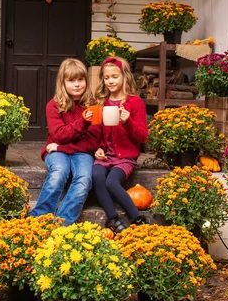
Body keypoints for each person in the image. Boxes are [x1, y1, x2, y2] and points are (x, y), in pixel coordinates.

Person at [30, 58, 101, 225]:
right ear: (63, 83)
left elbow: (93, 141)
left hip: (76, 151)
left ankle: (61, 223)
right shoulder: (53, 105)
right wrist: (83, 123)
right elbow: (59, 134)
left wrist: (62, 147)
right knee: (59, 172)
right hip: (57, 152)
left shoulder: (93, 106)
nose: (77, 84)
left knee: (84, 178)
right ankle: (38, 219)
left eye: (80, 79)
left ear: (86, 81)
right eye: (71, 80)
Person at [92, 56, 148, 233]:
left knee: (111, 182)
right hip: (105, 156)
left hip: (125, 158)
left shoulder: (135, 103)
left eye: (115, 77)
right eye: (106, 78)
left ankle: (137, 218)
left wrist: (128, 122)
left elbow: (142, 137)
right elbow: (95, 132)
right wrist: (98, 148)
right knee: (96, 176)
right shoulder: (100, 102)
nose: (110, 81)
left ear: (124, 77)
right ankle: (113, 219)